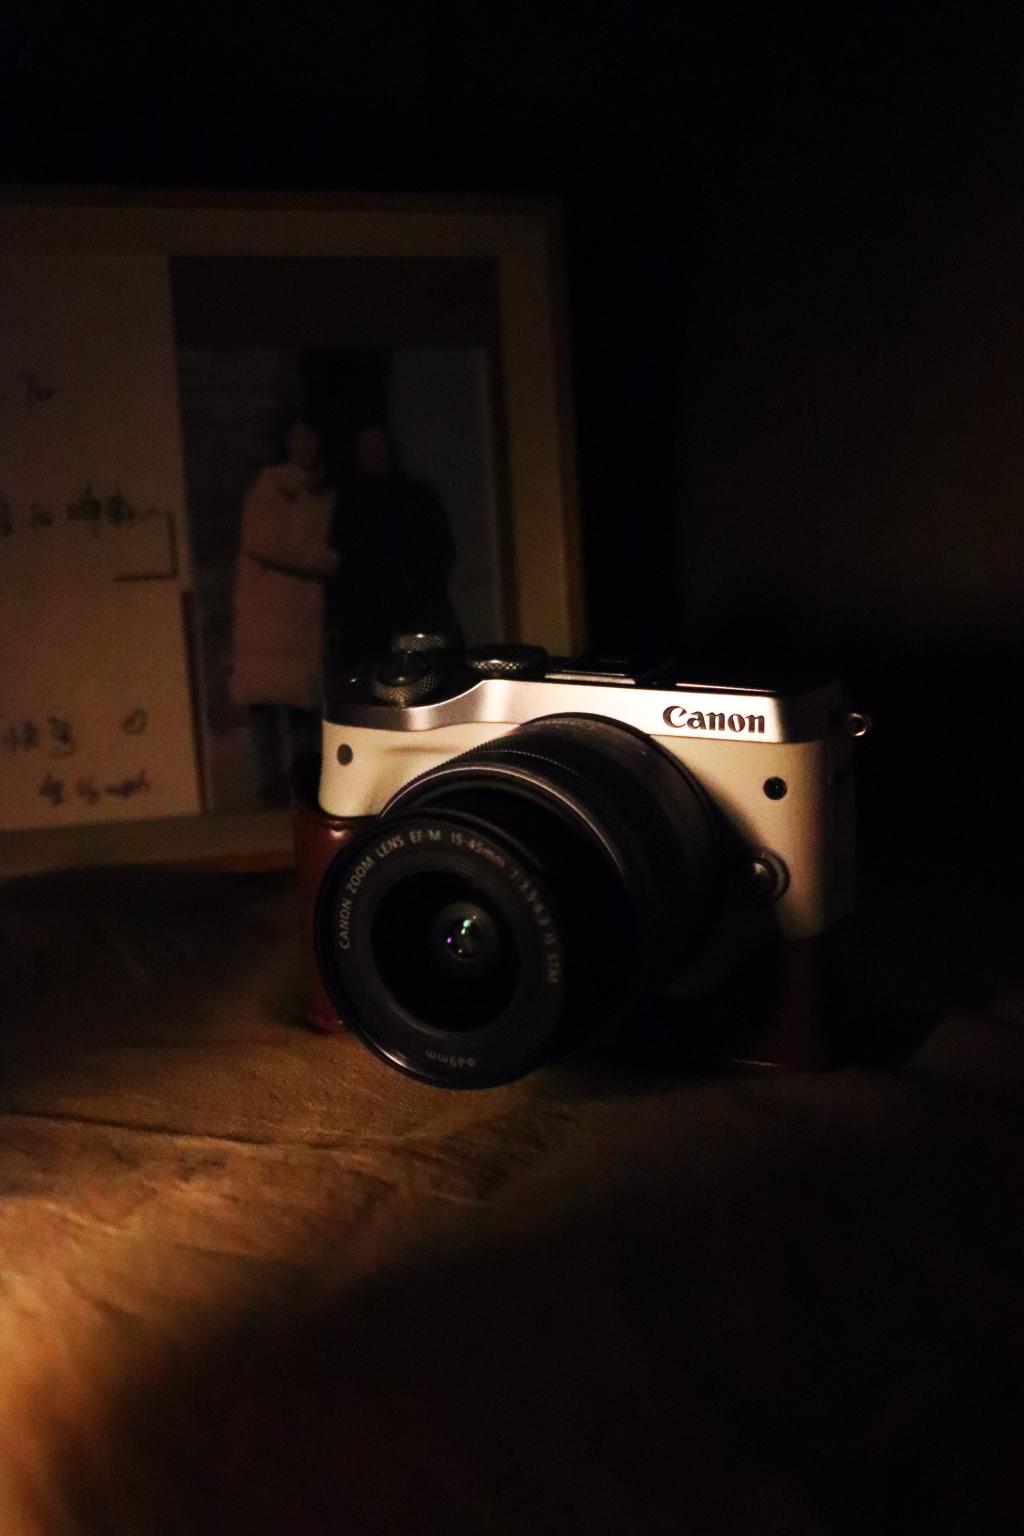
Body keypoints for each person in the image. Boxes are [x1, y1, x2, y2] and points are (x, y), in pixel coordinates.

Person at [231, 414, 338, 806]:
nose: (306, 446)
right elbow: (264, 542)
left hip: (301, 619)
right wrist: (327, 561)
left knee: (301, 708)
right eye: (298, 438)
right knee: (267, 706)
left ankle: (303, 787)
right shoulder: (270, 487)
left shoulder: (325, 491)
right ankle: (271, 790)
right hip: (267, 618)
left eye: (311, 437)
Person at [326, 426, 459, 670]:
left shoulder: (419, 497)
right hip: (364, 621)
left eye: (379, 445)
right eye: (366, 447)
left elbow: (441, 552)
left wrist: (417, 589)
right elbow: (340, 559)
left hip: (416, 615)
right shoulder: (347, 504)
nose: (373, 453)